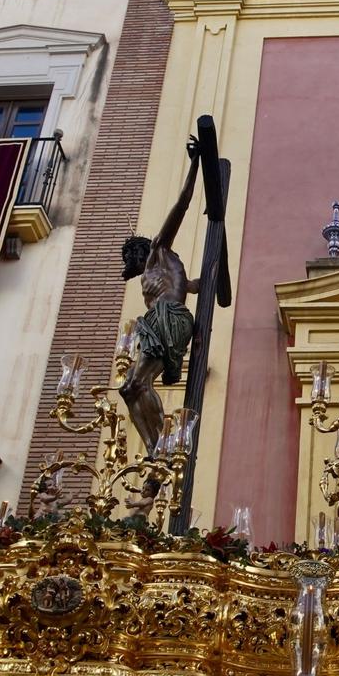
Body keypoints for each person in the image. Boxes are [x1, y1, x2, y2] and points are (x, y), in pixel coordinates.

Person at [118, 140, 204, 490]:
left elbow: (182, 205)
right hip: (161, 319)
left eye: (130, 260)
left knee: (136, 384)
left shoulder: (158, 252)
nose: (131, 268)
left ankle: (160, 446)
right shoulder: (168, 272)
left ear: (140, 252)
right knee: (128, 389)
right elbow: (195, 285)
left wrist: (195, 162)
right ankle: (156, 448)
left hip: (169, 317)